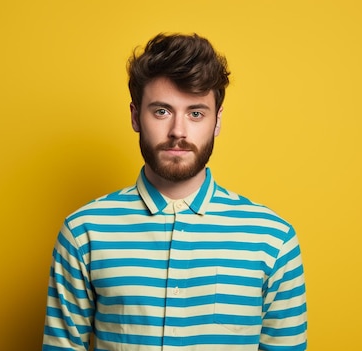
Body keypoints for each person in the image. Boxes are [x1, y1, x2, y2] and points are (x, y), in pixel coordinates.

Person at [42, 33, 307, 351]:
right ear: (135, 115)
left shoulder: (273, 239)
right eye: (162, 111)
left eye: (196, 113)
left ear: (217, 120)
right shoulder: (84, 232)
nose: (178, 131)